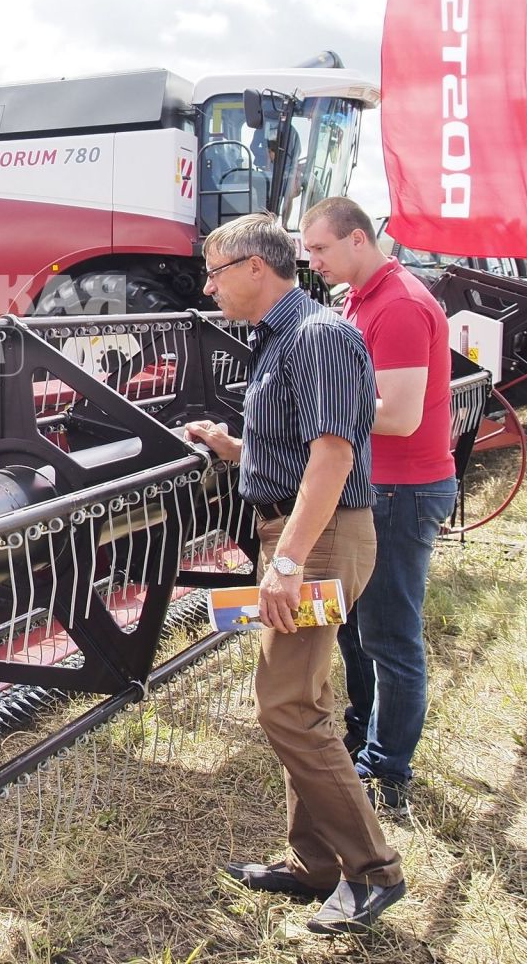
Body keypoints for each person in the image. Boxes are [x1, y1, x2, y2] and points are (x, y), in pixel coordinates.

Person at [182, 213, 403, 935]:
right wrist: (232, 446)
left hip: (321, 539)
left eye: (213, 273)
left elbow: (334, 457)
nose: (207, 288)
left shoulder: (318, 337)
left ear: (253, 267)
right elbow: (297, 447)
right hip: (303, 530)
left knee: (285, 708)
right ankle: (312, 865)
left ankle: (372, 871)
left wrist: (286, 561)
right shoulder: (285, 338)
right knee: (302, 698)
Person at [302, 197, 454, 821]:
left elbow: (400, 413)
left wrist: (318, 418)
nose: (312, 261)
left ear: (358, 240)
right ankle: (365, 741)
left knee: (390, 637)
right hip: (376, 487)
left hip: (404, 491)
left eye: (320, 249)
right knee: (358, 631)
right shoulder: (360, 299)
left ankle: (388, 770)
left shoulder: (398, 305)